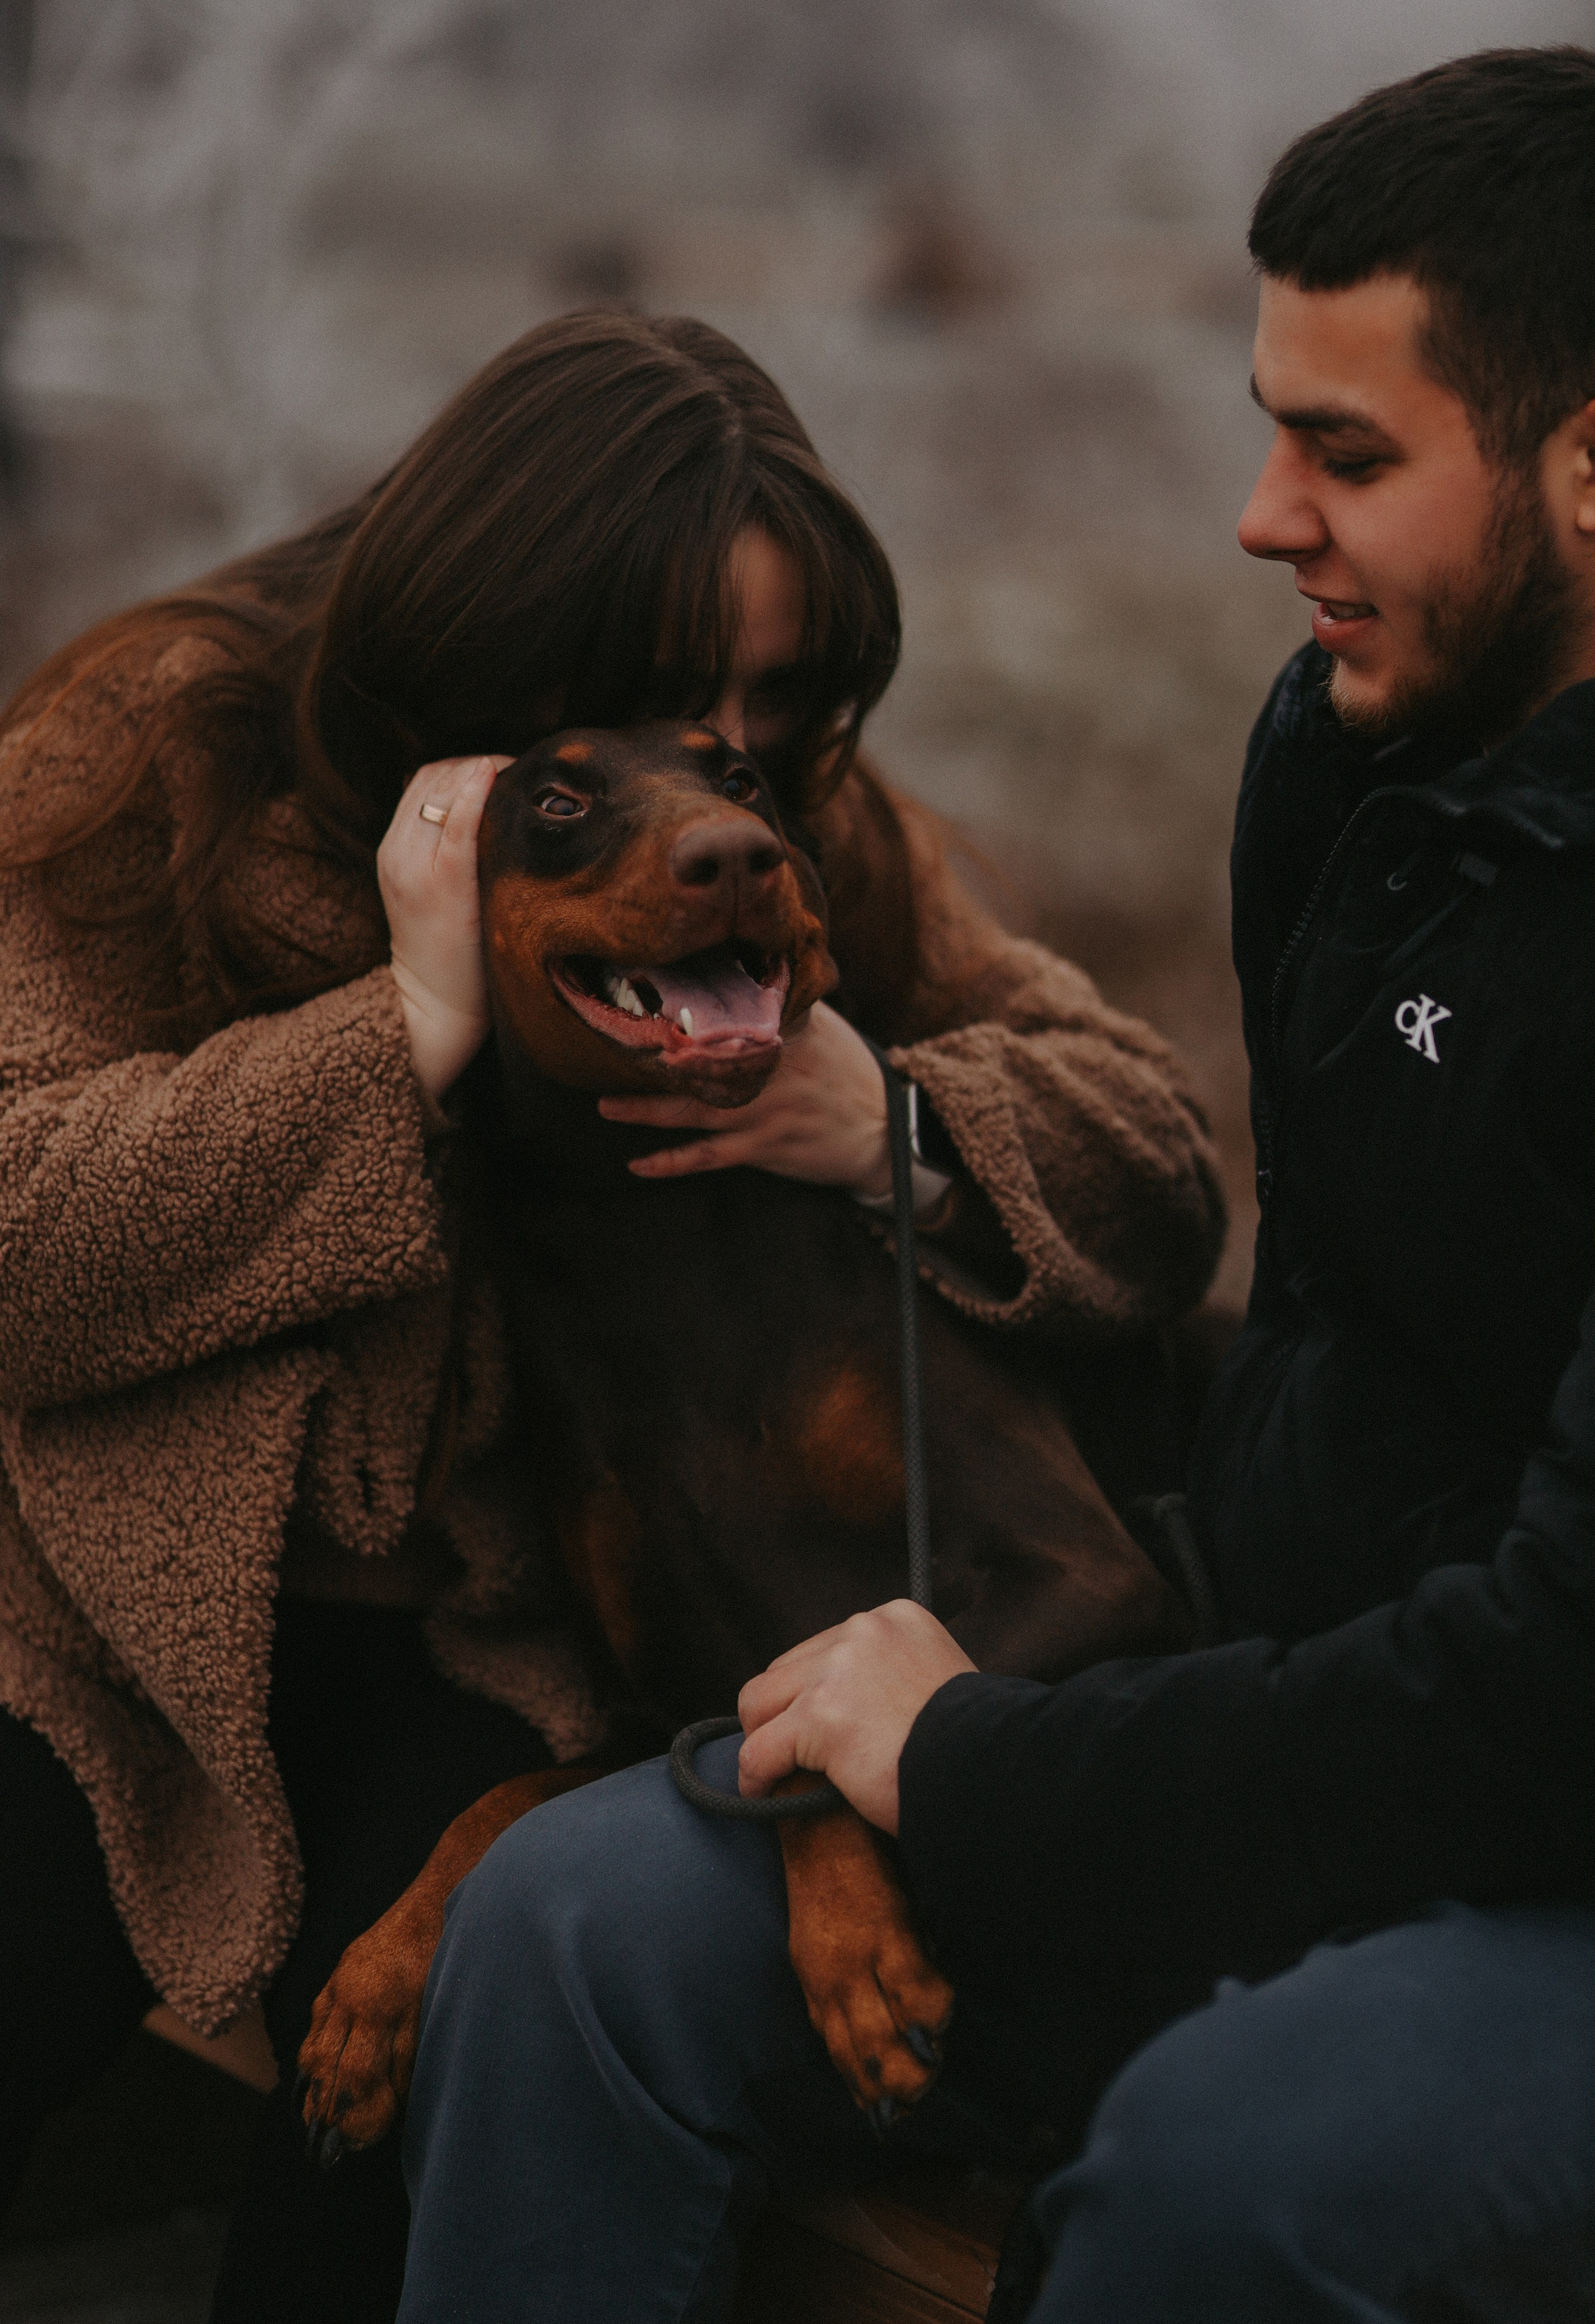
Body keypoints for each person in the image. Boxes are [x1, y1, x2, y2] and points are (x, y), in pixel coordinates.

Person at [394, 47, 1595, 2323]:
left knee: (1226, 2179)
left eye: (1346, 454)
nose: (1262, 516)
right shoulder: (1358, 756)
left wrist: (994, 1769)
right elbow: (1323, 1347)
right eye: (1271, 424)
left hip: (1537, 1824)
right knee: (566, 1931)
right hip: (1299, 1707)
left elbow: (1559, 1682)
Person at [0, 310, 1222, 2322]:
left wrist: (891, 1120)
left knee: (397, 2118)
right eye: (665, 684)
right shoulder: (175, 748)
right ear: (498, 616)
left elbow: (1156, 1153)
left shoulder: (750, 815)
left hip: (492, 1671)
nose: (726, 760)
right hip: (103, 1633)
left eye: (775, 700)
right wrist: (403, 1034)